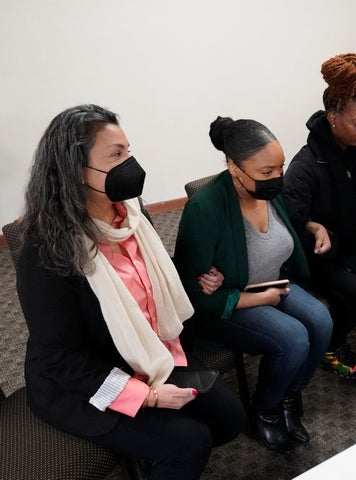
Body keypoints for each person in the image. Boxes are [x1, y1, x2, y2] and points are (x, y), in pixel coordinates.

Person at [16, 105, 245, 479]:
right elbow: (63, 360)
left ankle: (148, 455)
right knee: (190, 441)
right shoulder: (45, 250)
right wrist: (148, 397)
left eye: (128, 151)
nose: (131, 164)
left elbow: (144, 277)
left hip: (148, 353)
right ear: (76, 170)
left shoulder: (130, 213)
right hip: (82, 381)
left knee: (229, 419)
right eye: (116, 155)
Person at [173, 117, 333, 454]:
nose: (277, 178)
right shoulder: (205, 209)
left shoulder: (270, 192)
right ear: (234, 167)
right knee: (293, 338)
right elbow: (191, 294)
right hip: (229, 302)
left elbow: (288, 228)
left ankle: (290, 394)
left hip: (272, 282)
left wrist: (315, 226)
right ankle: (265, 410)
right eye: (266, 172)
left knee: (321, 320)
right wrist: (256, 297)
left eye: (280, 167)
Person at [283, 53, 356, 378]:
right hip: (322, 256)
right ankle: (329, 342)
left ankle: (348, 318)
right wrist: (312, 225)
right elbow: (290, 221)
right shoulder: (306, 167)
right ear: (333, 118)